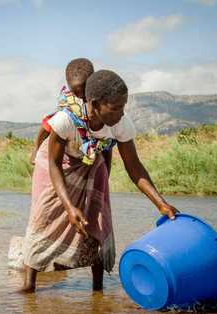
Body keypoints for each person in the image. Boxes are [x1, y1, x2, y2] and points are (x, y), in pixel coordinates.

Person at [19, 70, 178, 293]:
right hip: (57, 164)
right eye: (115, 108)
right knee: (44, 216)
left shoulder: (121, 124)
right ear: (94, 103)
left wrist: (160, 203)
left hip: (91, 161)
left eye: (123, 107)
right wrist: (69, 206)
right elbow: (54, 164)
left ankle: (97, 289)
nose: (121, 113)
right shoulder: (65, 119)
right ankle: (29, 285)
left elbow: (134, 167)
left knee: (97, 216)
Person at [29, 58, 96, 165]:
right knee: (50, 121)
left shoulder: (96, 95)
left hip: (86, 125)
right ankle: (37, 147)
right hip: (69, 114)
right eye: (76, 92)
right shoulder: (67, 98)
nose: (80, 95)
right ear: (69, 86)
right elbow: (62, 112)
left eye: (84, 92)